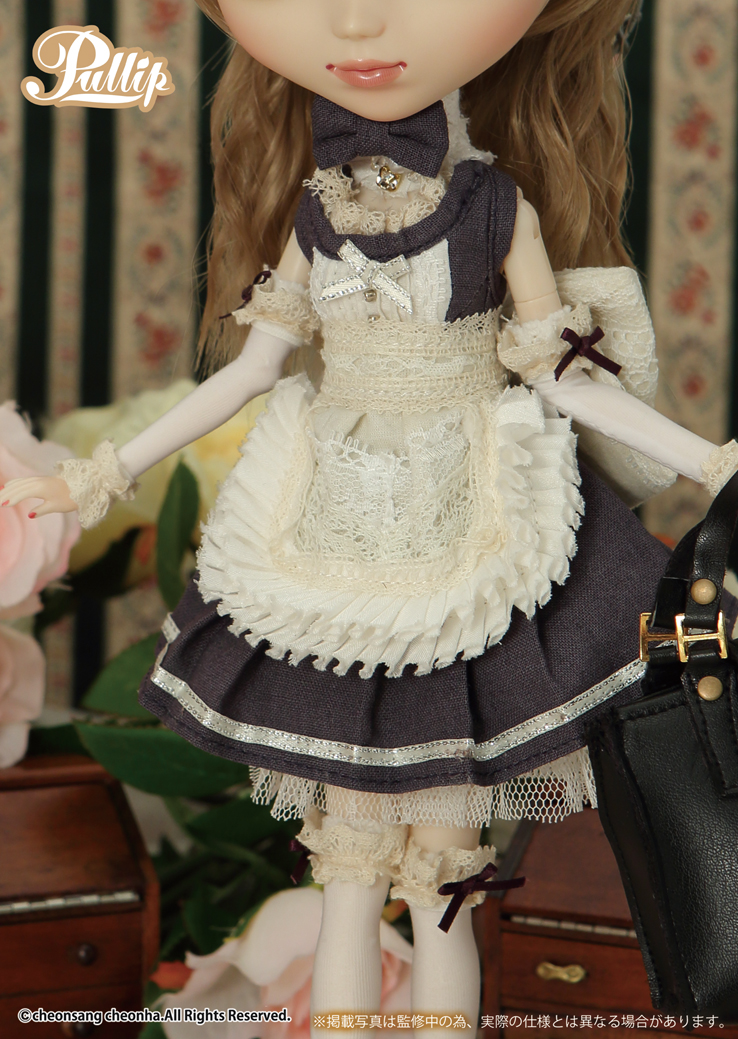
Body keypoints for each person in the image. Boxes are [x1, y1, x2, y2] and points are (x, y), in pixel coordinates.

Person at [4, 0, 738, 1033]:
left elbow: (566, 379)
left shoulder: (496, 208)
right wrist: (96, 475)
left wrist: (712, 460)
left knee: (444, 876)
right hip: (335, 522)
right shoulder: (316, 214)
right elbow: (247, 373)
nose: (354, 20)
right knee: (346, 870)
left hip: (470, 515)